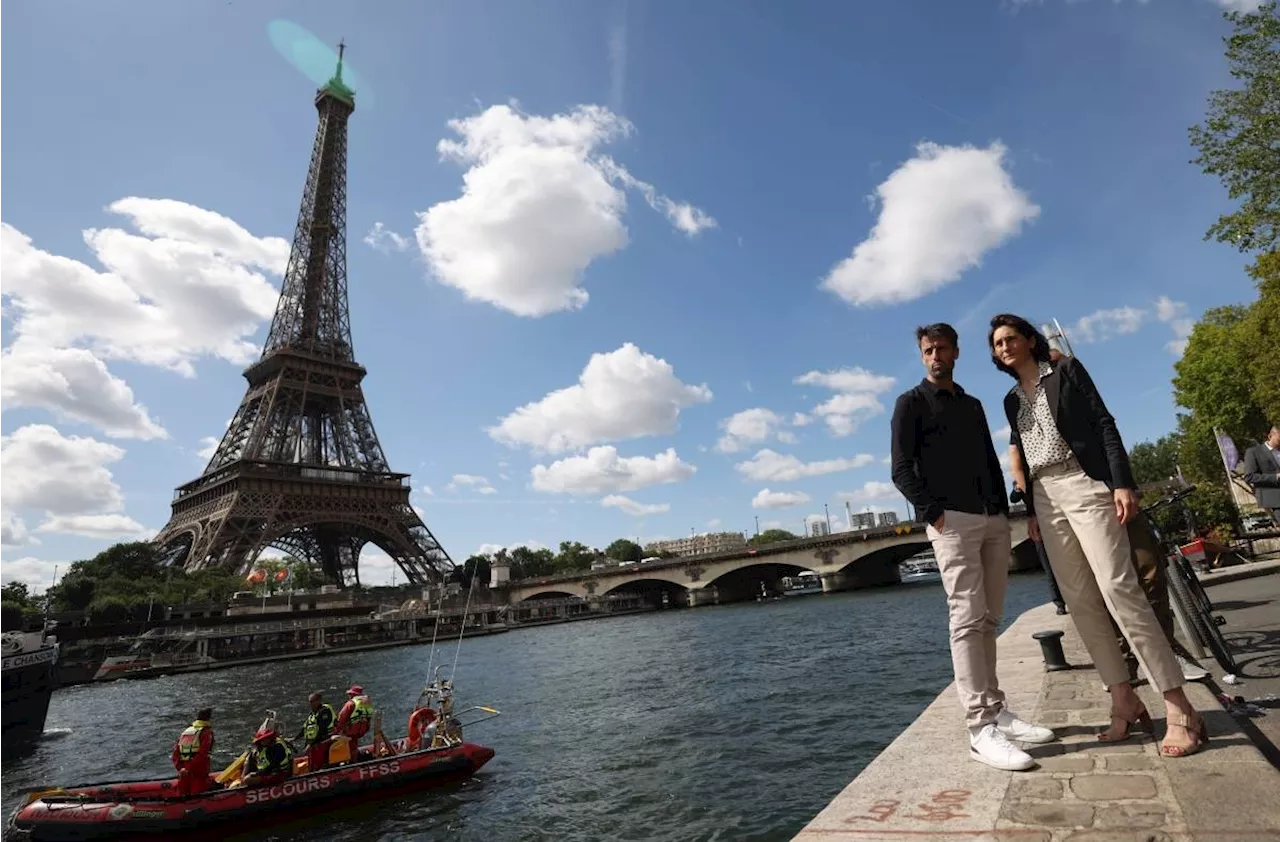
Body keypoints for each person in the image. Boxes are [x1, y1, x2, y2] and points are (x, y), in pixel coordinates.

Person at [989, 313, 1207, 758]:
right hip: (1046, 498)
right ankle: (1123, 698)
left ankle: (1178, 703)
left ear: (1029, 341)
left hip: (1085, 483)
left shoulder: (1066, 369)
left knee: (1117, 587)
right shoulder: (1011, 400)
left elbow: (1104, 423)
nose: (1004, 347)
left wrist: (1121, 482)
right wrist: (1031, 509)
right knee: (1081, 602)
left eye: (1010, 338)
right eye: (996, 344)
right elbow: (1026, 459)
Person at [891, 322, 1056, 772]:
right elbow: (901, 468)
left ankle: (997, 708)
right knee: (966, 617)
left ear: (956, 352)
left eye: (942, 348)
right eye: (927, 350)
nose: (935, 356)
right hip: (953, 521)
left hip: (991, 518)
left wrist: (1002, 512)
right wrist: (934, 513)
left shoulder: (973, 405)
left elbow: (989, 458)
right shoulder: (910, 404)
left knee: (988, 618)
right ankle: (980, 729)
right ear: (922, 354)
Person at [171, 707, 215, 797]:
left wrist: (180, 768)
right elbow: (203, 753)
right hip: (197, 769)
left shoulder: (186, 731)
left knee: (182, 792)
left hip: (183, 768)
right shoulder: (206, 732)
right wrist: (190, 768)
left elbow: (176, 751)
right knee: (198, 793)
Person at [1241, 426, 1280, 525]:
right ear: (1270, 436)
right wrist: (1275, 477)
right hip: (1275, 499)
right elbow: (1249, 477)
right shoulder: (1254, 452)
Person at [292, 692, 335, 773]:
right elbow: (305, 728)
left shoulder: (324, 711)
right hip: (314, 742)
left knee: (318, 762)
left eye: (312, 702)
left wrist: (310, 744)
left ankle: (318, 774)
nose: (310, 704)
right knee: (310, 761)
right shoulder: (312, 714)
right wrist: (295, 738)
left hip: (322, 741)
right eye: (309, 702)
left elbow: (322, 730)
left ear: (318, 701)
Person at [335, 685, 373, 750]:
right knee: (354, 743)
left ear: (353, 694)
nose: (349, 696)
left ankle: (349, 758)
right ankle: (354, 756)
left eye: (350, 694)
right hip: (362, 730)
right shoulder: (366, 703)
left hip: (351, 730)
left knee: (347, 743)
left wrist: (336, 731)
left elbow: (342, 717)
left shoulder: (350, 704)